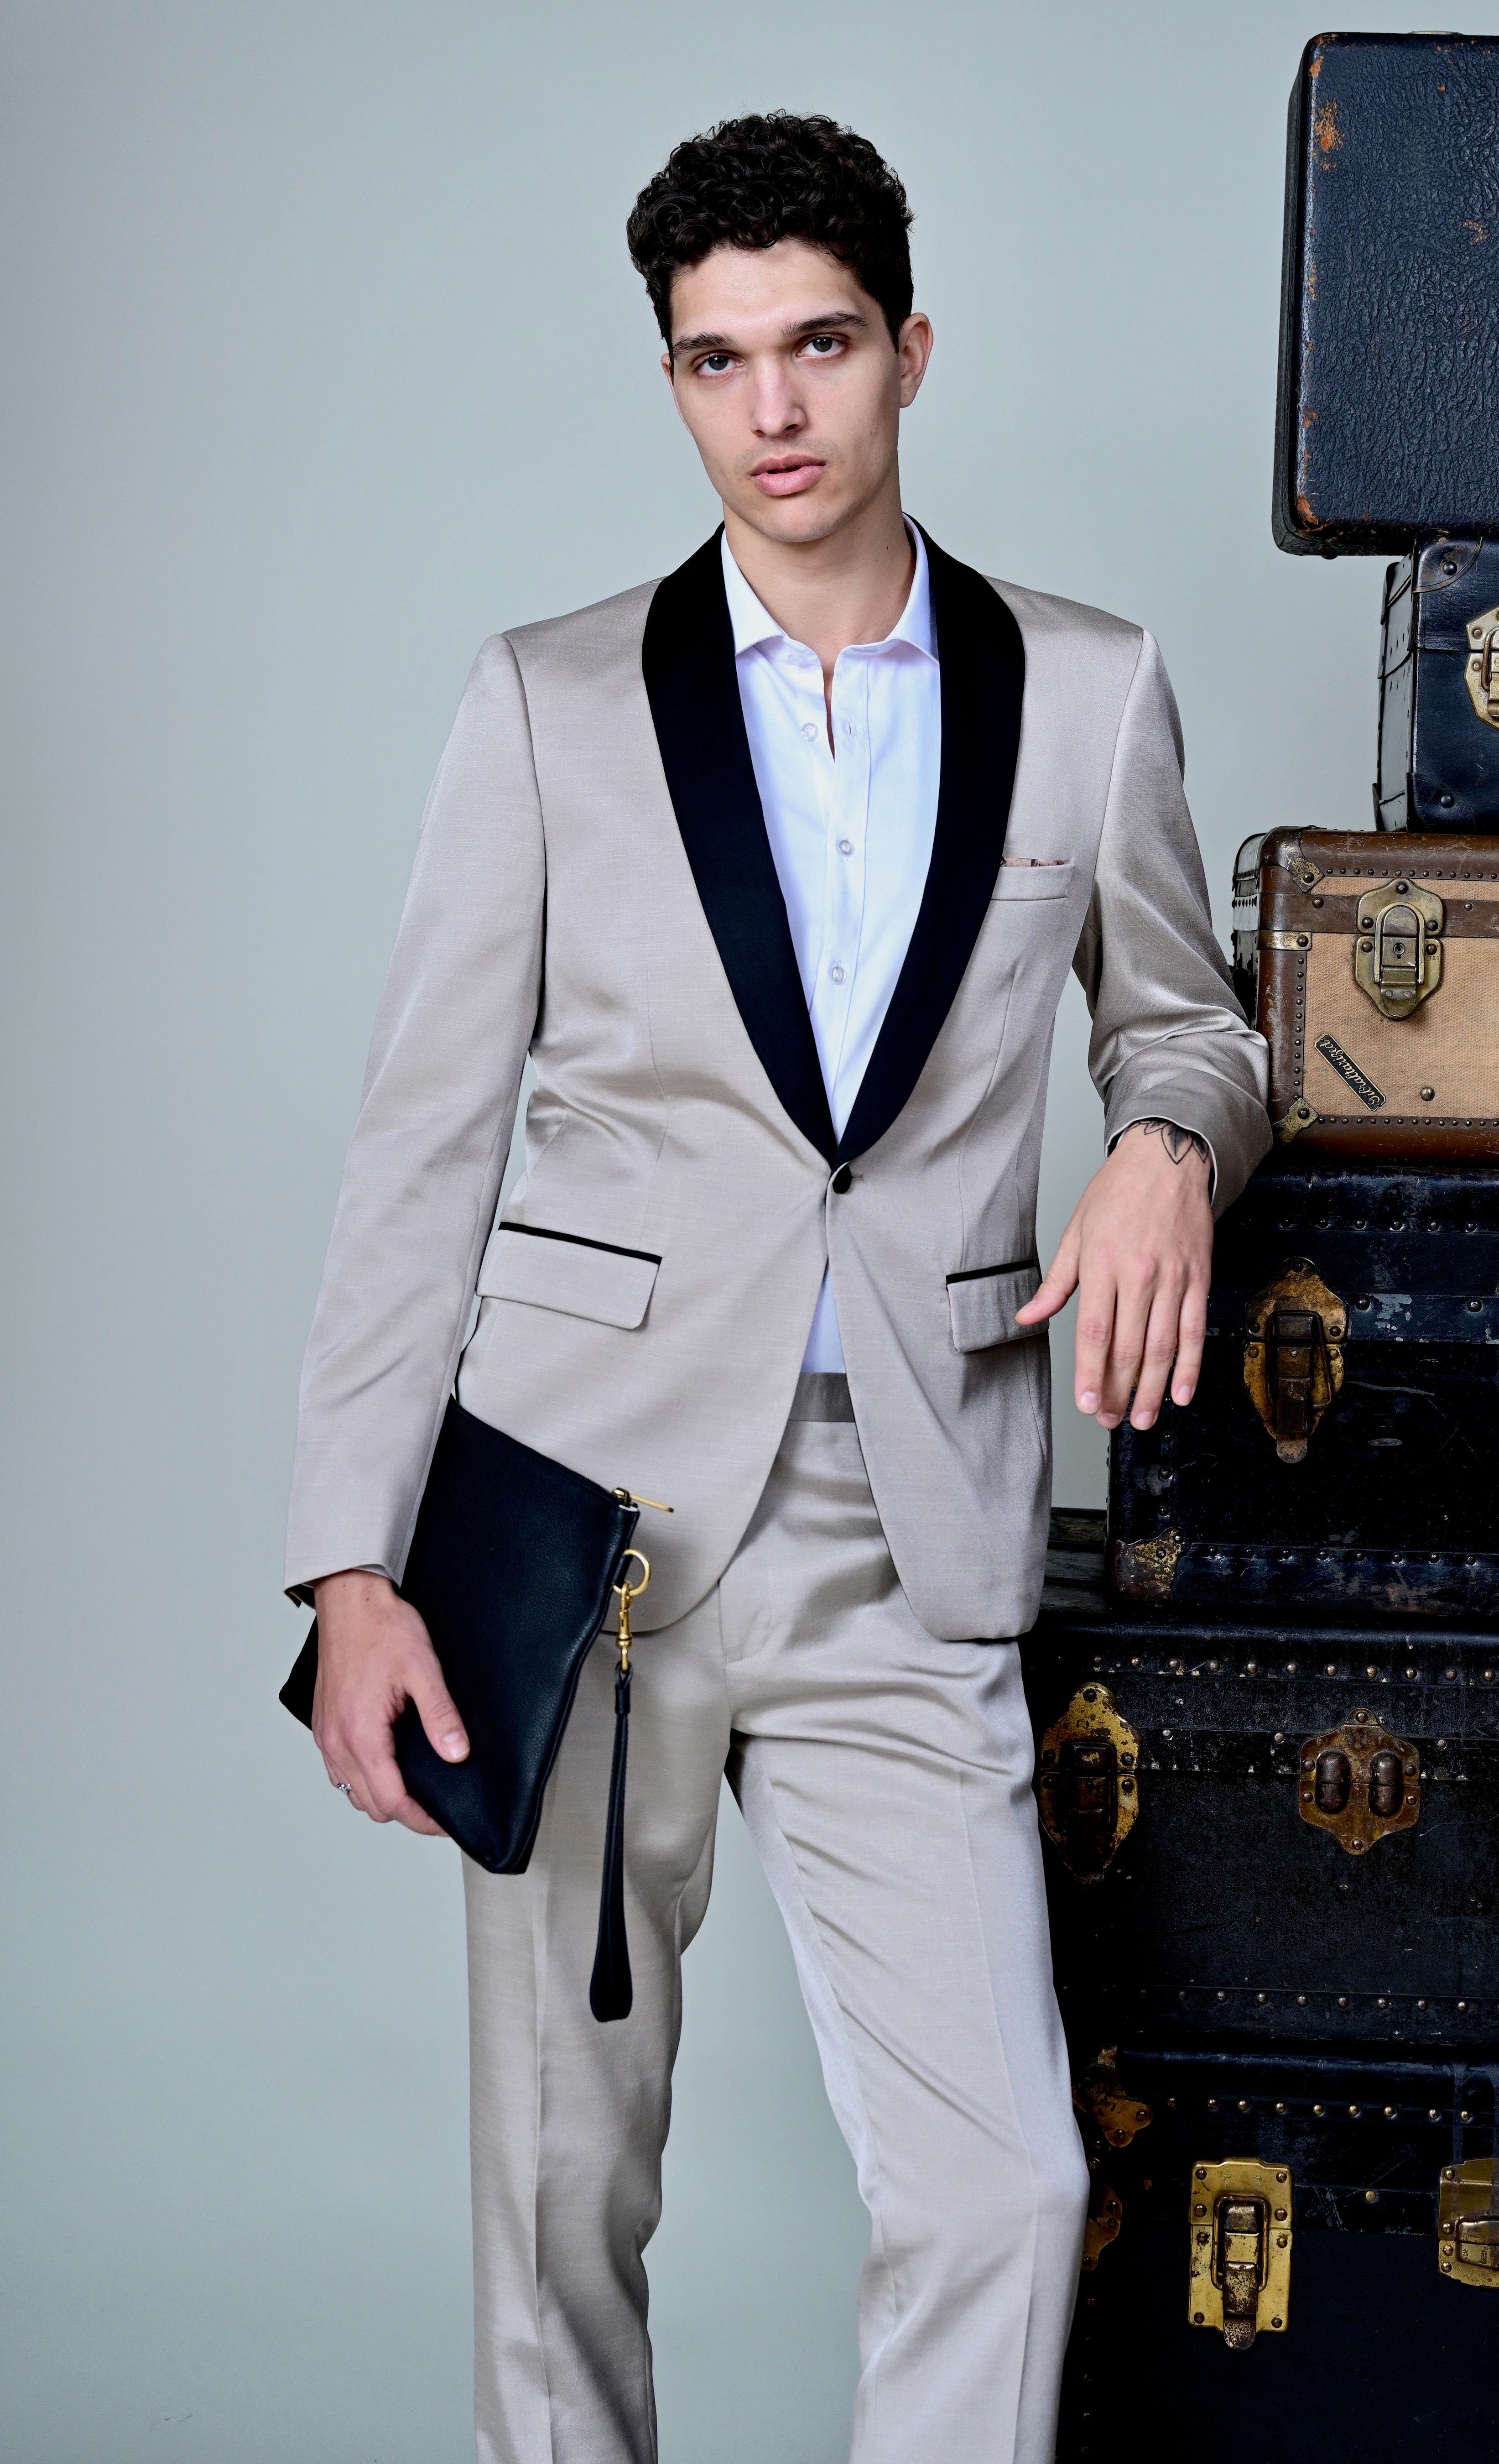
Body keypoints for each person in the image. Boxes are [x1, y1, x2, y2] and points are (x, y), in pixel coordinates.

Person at [286, 110, 1270, 2464]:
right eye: (717, 362)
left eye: (817, 345)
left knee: (1007, 2189)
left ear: (910, 349)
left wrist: (1167, 1147)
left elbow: (1191, 1022)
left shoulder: (1088, 688)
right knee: (562, 2196)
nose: (775, 410)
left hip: (911, 1511)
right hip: (580, 1523)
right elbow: (423, 1145)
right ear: (674, 381)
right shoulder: (549, 703)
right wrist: (349, 1565)